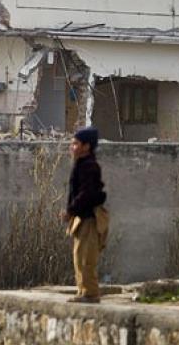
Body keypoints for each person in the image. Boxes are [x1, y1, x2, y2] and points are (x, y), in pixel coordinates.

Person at [59, 127, 109, 303]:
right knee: (79, 256)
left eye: (76, 144)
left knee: (86, 257)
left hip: (89, 218)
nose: (72, 147)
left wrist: (71, 210)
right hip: (82, 217)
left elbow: (86, 194)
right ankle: (83, 291)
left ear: (86, 146)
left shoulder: (89, 166)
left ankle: (90, 293)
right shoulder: (81, 165)